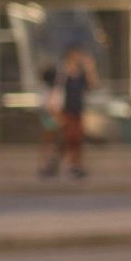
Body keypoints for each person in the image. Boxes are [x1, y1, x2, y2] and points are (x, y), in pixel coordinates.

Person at [44, 43, 97, 181]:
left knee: (75, 139)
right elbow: (53, 89)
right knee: (69, 138)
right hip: (64, 110)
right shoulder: (61, 73)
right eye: (76, 55)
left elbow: (92, 86)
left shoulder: (81, 74)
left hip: (77, 110)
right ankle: (69, 166)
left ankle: (63, 165)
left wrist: (90, 68)